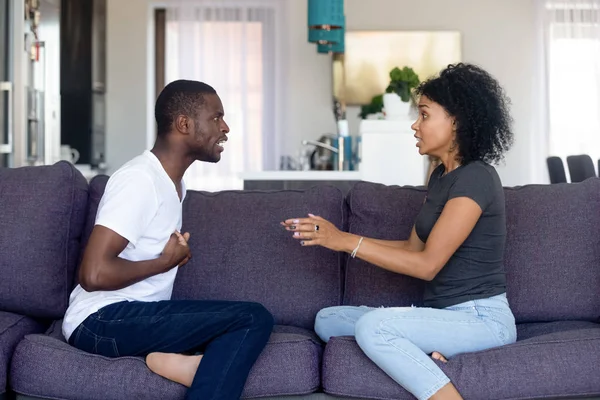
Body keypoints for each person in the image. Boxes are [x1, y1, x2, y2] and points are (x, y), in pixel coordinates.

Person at [281, 63, 516, 400]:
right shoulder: (440, 177)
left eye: (424, 115)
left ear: (456, 120)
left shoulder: (476, 178)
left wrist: (346, 240)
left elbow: (427, 265)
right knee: (328, 319)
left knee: (373, 327)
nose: (414, 125)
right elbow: (412, 249)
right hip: (442, 318)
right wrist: (333, 238)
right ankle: (429, 355)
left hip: (482, 319)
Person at [63, 80, 274, 400]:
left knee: (241, 322)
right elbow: (92, 275)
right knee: (251, 317)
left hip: (134, 314)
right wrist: (165, 261)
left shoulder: (173, 185)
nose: (225, 127)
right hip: (100, 320)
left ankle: (196, 369)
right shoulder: (140, 180)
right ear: (184, 124)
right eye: (216, 118)